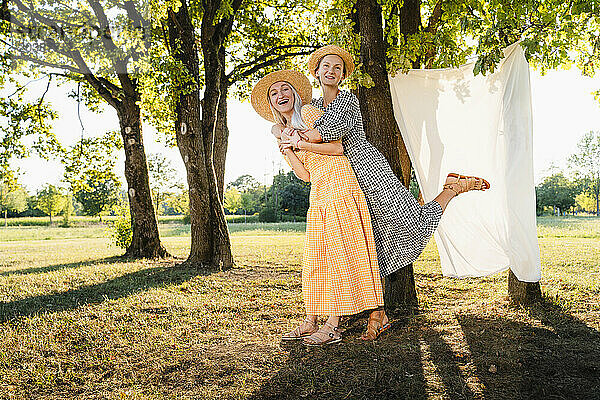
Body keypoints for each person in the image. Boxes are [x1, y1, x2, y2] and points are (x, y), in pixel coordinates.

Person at [273, 45, 490, 278]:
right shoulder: (312, 107)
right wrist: (277, 129)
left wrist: (293, 137)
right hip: (344, 181)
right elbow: (298, 133)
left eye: (337, 68)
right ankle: (378, 311)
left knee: (411, 222)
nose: (331, 71)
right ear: (316, 71)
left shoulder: (347, 99)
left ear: (343, 76)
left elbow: (327, 132)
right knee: (370, 240)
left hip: (370, 170)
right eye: (326, 66)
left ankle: (451, 189)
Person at [251, 70, 390, 345]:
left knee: (338, 256)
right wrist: (288, 147)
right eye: (274, 93)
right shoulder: (283, 132)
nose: (281, 95)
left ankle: (333, 325)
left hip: (340, 183)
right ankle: (310, 320)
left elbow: (338, 148)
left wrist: (300, 141)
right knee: (316, 259)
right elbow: (304, 175)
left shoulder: (313, 116)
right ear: (271, 103)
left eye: (285, 89)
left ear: (296, 94)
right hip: (320, 191)